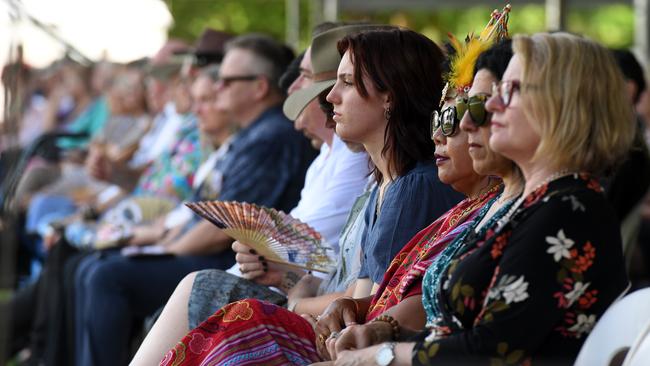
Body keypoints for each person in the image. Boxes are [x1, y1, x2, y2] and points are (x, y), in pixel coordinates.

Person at [157, 26, 476, 366]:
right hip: (343, 328)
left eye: (347, 83)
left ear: (390, 96)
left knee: (208, 293)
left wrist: (296, 299)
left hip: (362, 346)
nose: (330, 96)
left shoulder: (412, 187)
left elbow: (375, 311)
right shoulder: (385, 184)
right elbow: (359, 299)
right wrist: (294, 285)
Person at [337, 32, 636, 366]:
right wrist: (383, 333)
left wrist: (379, 356)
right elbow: (465, 335)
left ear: (566, 103)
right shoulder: (533, 202)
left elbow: (488, 351)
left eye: (512, 91)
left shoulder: (569, 209)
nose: (491, 106)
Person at [72, 34, 316, 366]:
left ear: (259, 88)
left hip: (228, 261)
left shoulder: (269, 137)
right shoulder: (251, 134)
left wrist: (163, 249)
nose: (217, 89)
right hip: (223, 255)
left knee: (105, 276)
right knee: (95, 268)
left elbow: (225, 227)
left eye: (227, 81)